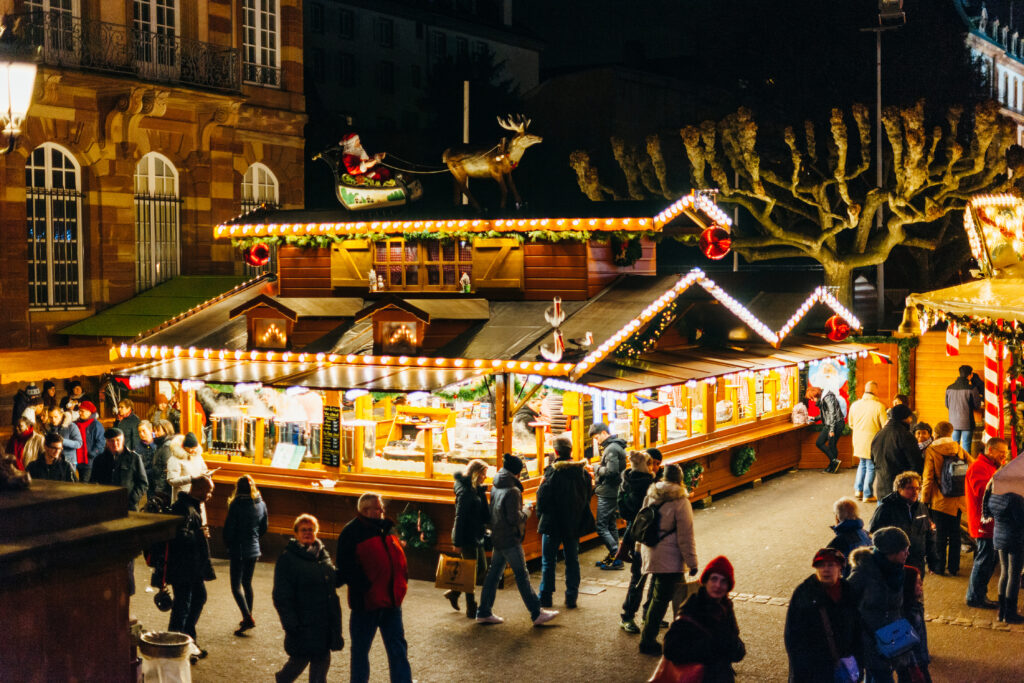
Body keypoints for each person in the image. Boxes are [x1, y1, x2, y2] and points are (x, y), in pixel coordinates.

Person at [336, 493, 413, 683]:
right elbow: (346, 568)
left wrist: (401, 583)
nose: (381, 512)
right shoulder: (351, 532)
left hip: (391, 602)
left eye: (381, 508)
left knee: (398, 650)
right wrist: (366, 588)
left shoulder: (386, 529)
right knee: (361, 652)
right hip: (367, 604)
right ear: (365, 510)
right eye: (377, 508)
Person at [475, 454, 559, 627]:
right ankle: (536, 612)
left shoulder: (497, 483)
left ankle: (483, 611)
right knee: (521, 575)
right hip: (509, 537)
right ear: (516, 472)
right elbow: (514, 518)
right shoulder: (513, 491)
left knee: (494, 573)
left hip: (498, 534)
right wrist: (527, 511)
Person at [638, 463, 700, 656]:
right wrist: (692, 563)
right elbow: (686, 536)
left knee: (659, 597)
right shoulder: (681, 501)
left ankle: (655, 638)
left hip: (651, 553)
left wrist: (639, 549)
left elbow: (641, 522)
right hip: (670, 559)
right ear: (680, 479)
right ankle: (650, 641)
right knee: (678, 600)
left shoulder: (651, 495)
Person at [273, 513, 343, 683]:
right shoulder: (288, 559)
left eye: (311, 530)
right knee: (299, 660)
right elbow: (281, 595)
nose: (307, 533)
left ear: (316, 532)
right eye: (303, 530)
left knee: (321, 665)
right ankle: (282, 679)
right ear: (295, 534)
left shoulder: (322, 554)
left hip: (324, 622)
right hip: (303, 622)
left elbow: (332, 580)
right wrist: (290, 623)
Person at [784, 548, 862, 683]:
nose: (826, 569)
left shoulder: (848, 591)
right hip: (814, 668)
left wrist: (859, 661)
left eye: (831, 565)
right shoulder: (804, 593)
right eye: (821, 565)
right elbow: (792, 635)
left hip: (844, 664)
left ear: (840, 568)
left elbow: (858, 628)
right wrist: (800, 668)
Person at [661, 556, 745, 682]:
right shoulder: (692, 607)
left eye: (723, 581)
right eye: (714, 579)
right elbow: (670, 649)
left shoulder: (726, 607)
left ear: (728, 586)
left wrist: (737, 648)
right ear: (705, 581)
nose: (718, 585)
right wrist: (712, 651)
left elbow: (734, 645)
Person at [848, 527, 910, 683]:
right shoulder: (864, 571)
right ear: (891, 552)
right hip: (869, 638)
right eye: (904, 550)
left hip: (892, 635)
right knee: (882, 676)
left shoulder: (897, 570)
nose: (907, 554)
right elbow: (846, 600)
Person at [536, 435, 592, 609]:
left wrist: (540, 490)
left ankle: (545, 597)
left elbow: (543, 499)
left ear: (555, 452)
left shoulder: (552, 473)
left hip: (553, 524)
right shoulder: (583, 473)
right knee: (572, 560)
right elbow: (588, 495)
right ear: (571, 451)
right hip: (573, 523)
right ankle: (571, 596)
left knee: (548, 561)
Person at [166, 474, 216, 662]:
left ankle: (186, 640)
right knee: (183, 604)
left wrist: (199, 533)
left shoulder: (190, 505)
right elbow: (178, 537)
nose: (210, 495)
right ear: (200, 490)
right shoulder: (183, 508)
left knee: (194, 599)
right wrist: (199, 533)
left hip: (191, 566)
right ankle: (176, 643)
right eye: (209, 491)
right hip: (183, 567)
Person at [920, 421, 971, 576]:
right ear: (951, 432)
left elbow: (928, 478)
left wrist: (924, 501)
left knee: (940, 535)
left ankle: (939, 567)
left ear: (935, 433)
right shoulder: (958, 448)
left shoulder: (932, 450)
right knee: (955, 533)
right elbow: (972, 464)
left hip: (940, 499)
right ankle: (954, 568)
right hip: (958, 498)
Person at [965, 438, 1007, 609]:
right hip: (984, 523)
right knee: (984, 560)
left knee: (988, 561)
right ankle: (975, 597)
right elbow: (984, 492)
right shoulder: (979, 467)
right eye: (1001, 452)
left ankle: (978, 595)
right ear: (990, 450)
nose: (1004, 456)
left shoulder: (988, 467)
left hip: (990, 523)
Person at [223, 474, 268, 636]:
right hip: (254, 549)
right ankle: (248, 615)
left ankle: (247, 617)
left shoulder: (236, 505)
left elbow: (229, 529)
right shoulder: (261, 504)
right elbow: (264, 527)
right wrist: (254, 539)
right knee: (247, 583)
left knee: (236, 586)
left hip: (238, 549)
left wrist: (228, 543)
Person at [445, 459, 490, 618]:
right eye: (483, 474)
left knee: (481, 569)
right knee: (470, 572)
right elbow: (460, 517)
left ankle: (455, 592)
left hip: (476, 534)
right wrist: (457, 542)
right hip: (466, 536)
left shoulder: (475, 489)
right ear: (476, 473)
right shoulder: (465, 491)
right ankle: (471, 607)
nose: (485, 477)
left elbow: (483, 513)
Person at [983, 448, 1024, 623]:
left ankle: (1002, 611)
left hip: (1000, 536)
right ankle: (1011, 613)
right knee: (1013, 575)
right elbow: (1021, 520)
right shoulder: (1014, 498)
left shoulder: (993, 494)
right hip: (1015, 539)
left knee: (1005, 574)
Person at [619, 449, 657, 633]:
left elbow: (623, 510)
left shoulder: (626, 482)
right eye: (652, 464)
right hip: (645, 537)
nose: (654, 467)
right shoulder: (648, 485)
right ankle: (635, 615)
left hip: (634, 535)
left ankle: (634, 615)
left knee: (640, 577)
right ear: (646, 466)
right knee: (643, 577)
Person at [869, 471, 936, 575]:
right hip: (894, 564)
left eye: (917, 488)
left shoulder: (922, 508)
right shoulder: (885, 509)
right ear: (899, 489)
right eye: (910, 488)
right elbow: (874, 535)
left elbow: (928, 536)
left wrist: (932, 561)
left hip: (917, 563)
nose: (915, 492)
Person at [589, 422, 628, 568]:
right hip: (612, 491)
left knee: (601, 526)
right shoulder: (614, 446)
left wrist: (596, 468)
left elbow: (612, 472)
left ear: (604, 433)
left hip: (608, 492)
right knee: (611, 525)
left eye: (597, 437)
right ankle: (614, 557)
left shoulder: (611, 449)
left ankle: (617, 554)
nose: (596, 440)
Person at [871, 404, 921, 500]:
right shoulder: (906, 436)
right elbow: (916, 463)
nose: (911, 420)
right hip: (901, 490)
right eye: (910, 417)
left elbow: (873, 458)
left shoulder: (879, 434)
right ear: (905, 418)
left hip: (882, 487)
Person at [91, 427, 148, 511]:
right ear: (107, 442)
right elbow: (93, 482)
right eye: (111, 441)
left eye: (118, 440)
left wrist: (132, 500)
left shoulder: (134, 458)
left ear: (123, 439)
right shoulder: (99, 460)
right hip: (106, 506)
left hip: (129, 506)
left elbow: (143, 483)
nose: (115, 443)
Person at [849, 381, 888, 500]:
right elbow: (885, 426)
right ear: (875, 391)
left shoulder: (855, 405)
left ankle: (858, 490)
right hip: (873, 441)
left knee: (862, 463)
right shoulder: (879, 406)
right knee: (871, 466)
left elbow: (851, 424)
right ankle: (867, 494)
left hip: (858, 440)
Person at [895, 566, 931, 683]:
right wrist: (914, 666)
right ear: (908, 585)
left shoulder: (916, 606)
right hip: (913, 664)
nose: (921, 584)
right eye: (917, 582)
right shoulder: (907, 613)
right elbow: (906, 646)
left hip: (919, 660)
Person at [828, 497, 872, 578]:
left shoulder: (839, 542)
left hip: (852, 583)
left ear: (837, 517)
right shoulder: (866, 534)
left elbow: (826, 567)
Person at [167, 432, 210, 515]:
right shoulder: (174, 459)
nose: (192, 450)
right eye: (190, 448)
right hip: (183, 499)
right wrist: (190, 479)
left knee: (198, 522)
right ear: (183, 447)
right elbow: (172, 481)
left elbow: (203, 469)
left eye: (194, 448)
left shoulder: (198, 456)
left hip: (197, 497)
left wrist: (206, 474)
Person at [945, 364, 981, 454]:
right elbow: (977, 405)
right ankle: (966, 466)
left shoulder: (949, 388)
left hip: (953, 422)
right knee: (966, 445)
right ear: (970, 375)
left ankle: (954, 465)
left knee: (954, 446)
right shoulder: (972, 389)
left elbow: (947, 405)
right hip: (967, 422)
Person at [815, 386, 847, 474]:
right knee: (828, 444)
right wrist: (814, 418)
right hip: (832, 424)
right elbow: (826, 414)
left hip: (835, 424)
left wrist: (832, 430)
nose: (812, 400)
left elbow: (832, 414)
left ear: (816, 395)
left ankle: (833, 464)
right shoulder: (824, 398)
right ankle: (833, 464)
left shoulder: (828, 398)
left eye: (812, 398)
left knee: (828, 444)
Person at [43, 406, 82, 471]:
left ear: (61, 415)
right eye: (50, 417)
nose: (53, 420)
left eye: (56, 417)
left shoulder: (72, 426)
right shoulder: (48, 428)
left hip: (69, 462)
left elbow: (79, 443)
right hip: (53, 461)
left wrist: (62, 441)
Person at [74, 400, 104, 483]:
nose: (80, 413)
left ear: (89, 412)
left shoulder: (96, 425)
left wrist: (92, 453)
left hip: (90, 461)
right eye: (79, 411)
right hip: (78, 460)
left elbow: (101, 442)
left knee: (85, 483)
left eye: (82, 411)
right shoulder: (76, 424)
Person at [148, 421, 177, 504]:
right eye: (154, 431)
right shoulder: (160, 444)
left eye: (158, 431)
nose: (155, 433)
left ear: (166, 431)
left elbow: (166, 469)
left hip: (163, 489)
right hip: (157, 484)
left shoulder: (167, 446)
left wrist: (159, 490)